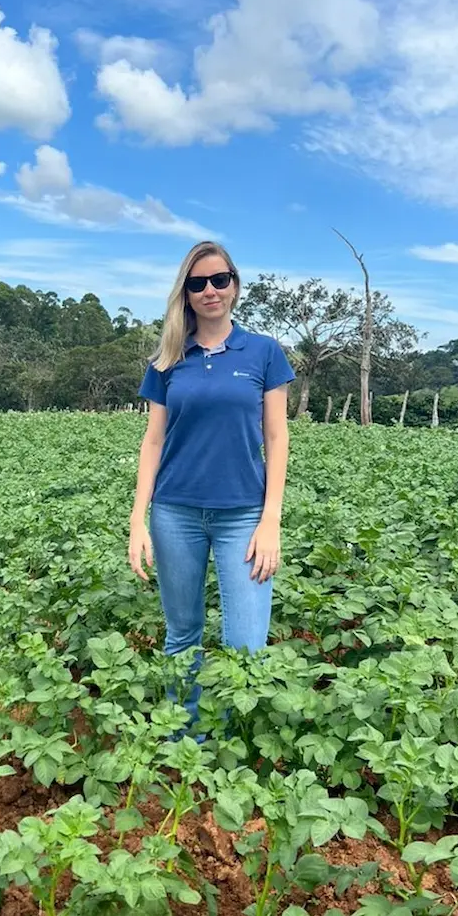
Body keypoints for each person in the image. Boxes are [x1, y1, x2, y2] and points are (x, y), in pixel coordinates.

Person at [128, 240, 295, 733]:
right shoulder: (167, 359)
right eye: (197, 283)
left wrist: (271, 520)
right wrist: (138, 519)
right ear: (185, 293)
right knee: (183, 634)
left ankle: (229, 741)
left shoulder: (263, 353)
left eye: (219, 280)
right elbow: (153, 441)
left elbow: (276, 437)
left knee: (246, 644)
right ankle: (186, 740)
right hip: (174, 512)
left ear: (234, 285)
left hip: (243, 514)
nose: (210, 291)